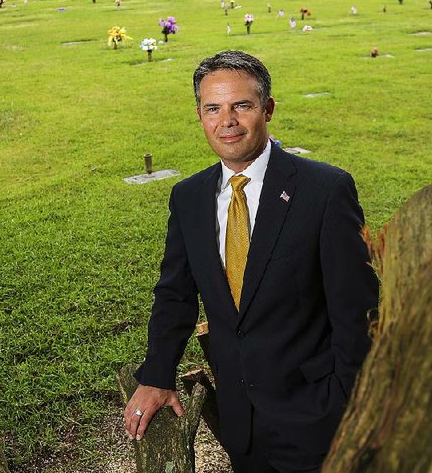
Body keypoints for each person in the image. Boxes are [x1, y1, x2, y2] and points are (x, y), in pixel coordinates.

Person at [124, 50, 379, 472]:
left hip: (319, 418)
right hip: (242, 423)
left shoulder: (325, 190)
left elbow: (358, 314)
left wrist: (353, 405)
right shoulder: (188, 198)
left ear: (268, 109)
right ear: (199, 114)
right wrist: (156, 375)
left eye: (241, 105)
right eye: (213, 108)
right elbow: (175, 295)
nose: (227, 121)